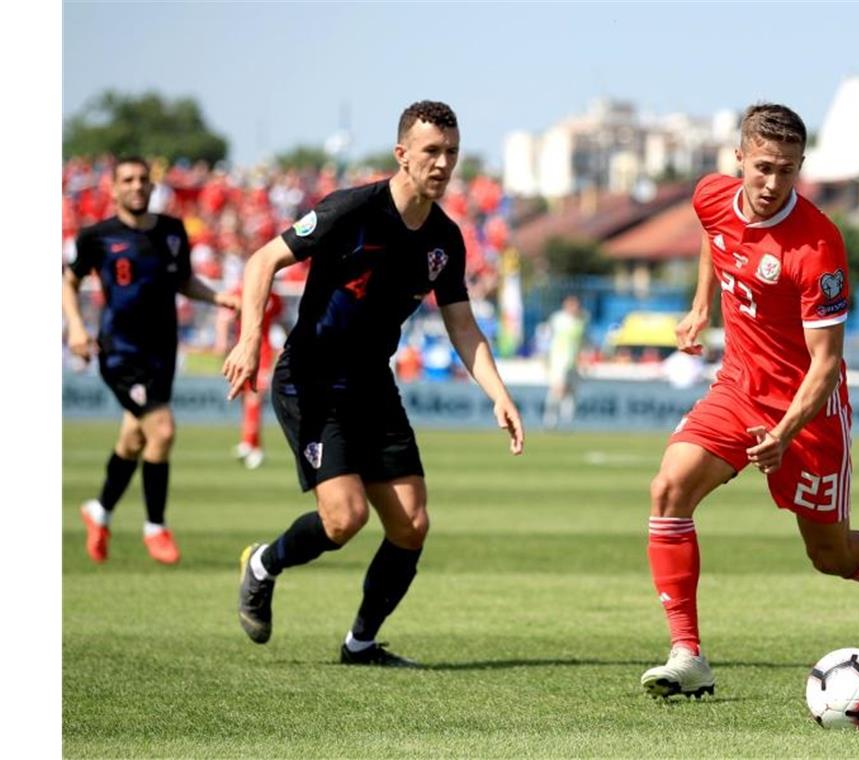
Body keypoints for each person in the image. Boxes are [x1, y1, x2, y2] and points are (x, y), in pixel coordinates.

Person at [639, 104, 859, 699]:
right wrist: (703, 304)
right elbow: (713, 234)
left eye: (789, 171)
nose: (774, 184)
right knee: (669, 489)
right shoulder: (710, 195)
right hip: (737, 388)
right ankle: (687, 655)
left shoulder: (819, 245)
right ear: (739, 160)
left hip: (809, 413)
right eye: (764, 168)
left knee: (829, 554)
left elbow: (825, 366)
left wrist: (783, 432)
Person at [223, 101, 524, 665]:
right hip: (310, 377)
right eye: (431, 151)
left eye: (451, 153)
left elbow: (462, 325)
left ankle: (360, 643)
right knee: (345, 518)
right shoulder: (351, 209)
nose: (442, 163)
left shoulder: (445, 240)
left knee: (411, 524)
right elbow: (262, 261)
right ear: (402, 154)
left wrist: (499, 394)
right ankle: (263, 564)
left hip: (372, 384)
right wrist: (246, 342)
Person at [63, 155, 240, 564]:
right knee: (161, 430)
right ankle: (155, 527)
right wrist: (75, 327)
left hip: (162, 350)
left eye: (143, 179)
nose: (138, 185)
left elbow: (183, 281)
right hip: (120, 353)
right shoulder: (97, 237)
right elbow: (68, 281)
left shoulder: (172, 231)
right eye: (128, 179)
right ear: (113, 187)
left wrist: (217, 298)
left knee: (134, 437)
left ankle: (100, 510)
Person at [222, 284, 284, 469]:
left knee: (254, 400)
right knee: (246, 401)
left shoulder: (271, 296)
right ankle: (250, 443)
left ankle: (252, 446)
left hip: (262, 353)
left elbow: (278, 323)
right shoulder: (244, 292)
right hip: (243, 351)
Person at [542, 294, 586, 429]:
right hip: (558, 361)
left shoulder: (581, 321)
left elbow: (581, 342)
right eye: (571, 304)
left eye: (576, 304)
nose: (574, 307)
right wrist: (546, 357)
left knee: (571, 391)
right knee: (557, 389)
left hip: (573, 362)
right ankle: (550, 420)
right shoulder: (557, 319)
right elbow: (546, 339)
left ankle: (567, 421)